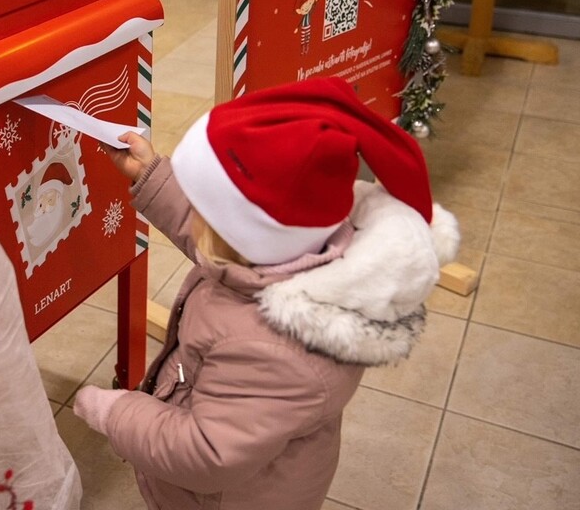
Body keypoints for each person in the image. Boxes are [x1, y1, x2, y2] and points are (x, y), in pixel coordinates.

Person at [73, 77, 458, 510]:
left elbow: (206, 454)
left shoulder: (270, 351)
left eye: (203, 210)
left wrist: (116, 413)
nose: (195, 216)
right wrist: (151, 175)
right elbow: (225, 235)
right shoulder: (291, 252)